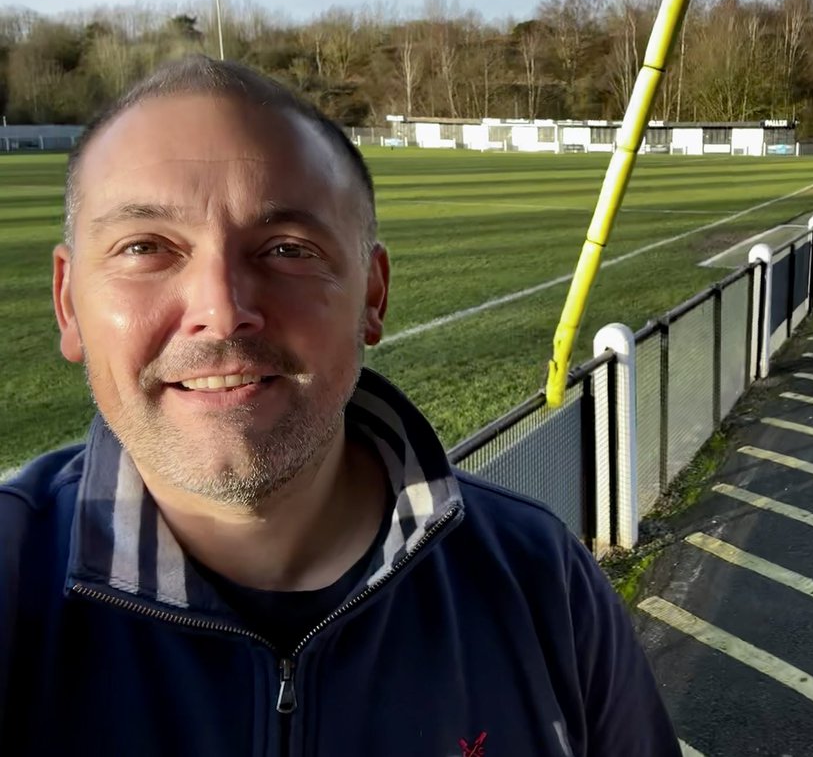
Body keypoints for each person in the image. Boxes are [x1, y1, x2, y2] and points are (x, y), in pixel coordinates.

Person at [0, 56, 681, 756]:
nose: (221, 310)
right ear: (67, 302)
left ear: (372, 296)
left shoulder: (543, 581)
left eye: (287, 249)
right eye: (145, 247)